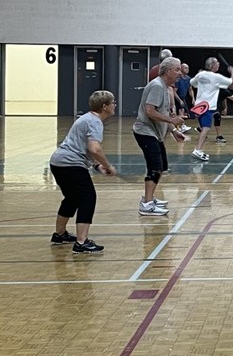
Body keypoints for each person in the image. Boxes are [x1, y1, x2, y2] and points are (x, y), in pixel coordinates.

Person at [48, 90, 118, 254]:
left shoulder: (86, 118)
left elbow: (84, 147)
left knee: (72, 198)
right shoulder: (95, 122)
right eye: (112, 103)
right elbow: (95, 148)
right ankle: (81, 242)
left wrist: (96, 166)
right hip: (71, 165)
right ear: (104, 106)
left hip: (58, 162)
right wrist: (107, 166)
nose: (114, 105)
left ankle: (60, 235)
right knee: (88, 198)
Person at [133, 56, 185, 215]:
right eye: (177, 70)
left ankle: (149, 197)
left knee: (161, 167)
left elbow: (161, 112)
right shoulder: (156, 86)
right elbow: (150, 111)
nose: (180, 73)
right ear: (168, 71)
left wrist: (173, 130)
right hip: (145, 132)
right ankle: (147, 204)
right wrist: (172, 120)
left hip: (155, 133)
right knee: (155, 168)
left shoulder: (164, 86)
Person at [189, 56, 233, 161]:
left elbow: (192, 83)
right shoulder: (216, 77)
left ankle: (199, 150)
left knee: (204, 129)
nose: (218, 64)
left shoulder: (200, 75)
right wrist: (232, 72)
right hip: (208, 107)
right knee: (206, 128)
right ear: (211, 65)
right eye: (217, 63)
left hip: (199, 106)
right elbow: (231, 82)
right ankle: (197, 150)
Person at [174, 62, 194, 134]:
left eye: (188, 68)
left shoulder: (188, 79)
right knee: (180, 110)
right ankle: (181, 126)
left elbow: (190, 89)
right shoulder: (178, 79)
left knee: (184, 112)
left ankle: (181, 126)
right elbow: (174, 91)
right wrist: (179, 100)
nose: (187, 69)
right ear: (181, 68)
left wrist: (193, 99)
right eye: (185, 68)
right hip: (176, 98)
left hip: (183, 98)